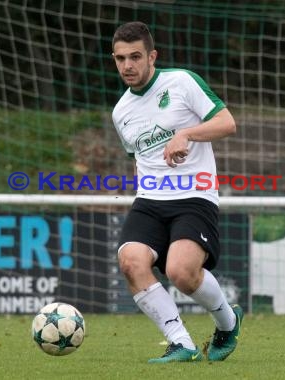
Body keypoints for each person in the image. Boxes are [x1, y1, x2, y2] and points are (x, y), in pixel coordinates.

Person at [110, 21, 243, 363]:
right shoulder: (121, 112)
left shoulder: (181, 82)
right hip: (150, 200)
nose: (128, 65)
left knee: (181, 273)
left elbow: (227, 123)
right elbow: (138, 159)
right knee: (130, 261)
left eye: (136, 56)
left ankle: (227, 323)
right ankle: (180, 342)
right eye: (121, 58)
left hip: (194, 196)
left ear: (152, 56)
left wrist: (186, 134)